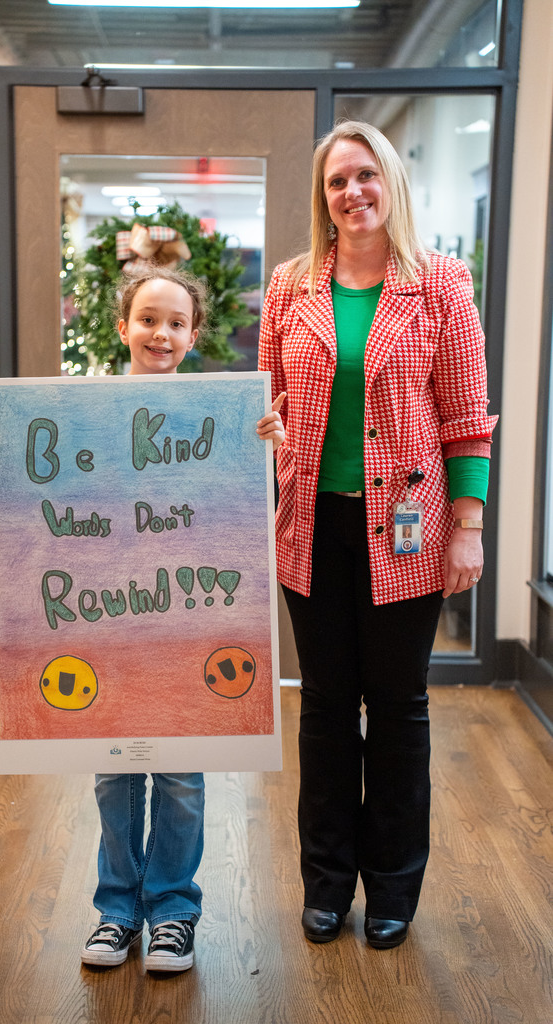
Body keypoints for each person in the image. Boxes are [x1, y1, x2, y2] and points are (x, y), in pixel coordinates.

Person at [0, 266, 285, 972]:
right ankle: (116, 911)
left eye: (175, 323)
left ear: (194, 336)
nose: (160, 333)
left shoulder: (220, 416)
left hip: (183, 634)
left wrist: (264, 439)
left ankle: (172, 911)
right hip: (102, 634)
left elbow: (239, 507)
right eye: (147, 319)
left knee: (181, 778)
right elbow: (30, 475)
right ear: (122, 328)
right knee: (112, 777)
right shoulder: (80, 411)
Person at [258, 120, 497, 950]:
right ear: (321, 198)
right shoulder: (289, 287)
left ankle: (393, 887)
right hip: (310, 524)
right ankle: (325, 884)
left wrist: (467, 526)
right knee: (325, 706)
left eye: (364, 175)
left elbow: (466, 418)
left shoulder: (439, 283)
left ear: (389, 181)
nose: (351, 192)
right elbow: (264, 404)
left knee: (397, 708)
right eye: (336, 181)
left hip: (408, 529)